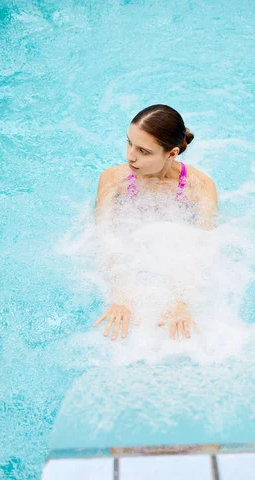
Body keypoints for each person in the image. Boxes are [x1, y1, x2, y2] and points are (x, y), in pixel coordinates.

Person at [93, 104, 218, 342]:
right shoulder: (113, 180)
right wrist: (120, 295)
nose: (130, 156)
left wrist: (182, 301)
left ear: (171, 154)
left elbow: (203, 248)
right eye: (129, 142)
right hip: (130, 255)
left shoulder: (200, 188)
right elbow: (103, 238)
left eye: (144, 151)